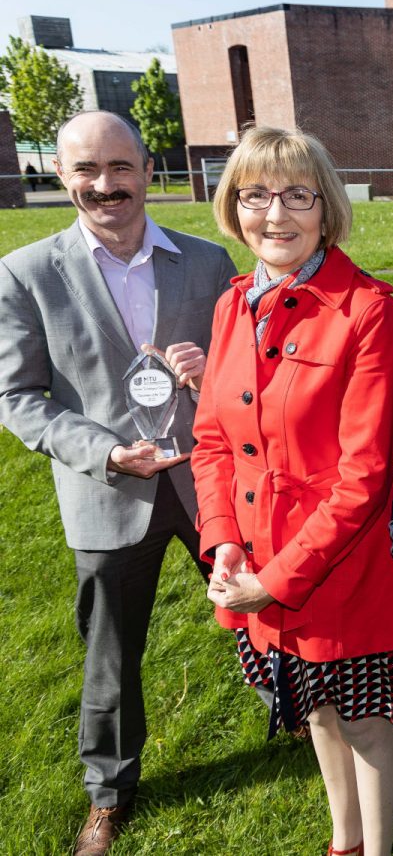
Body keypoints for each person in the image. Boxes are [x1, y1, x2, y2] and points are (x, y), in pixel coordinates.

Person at [0, 111, 235, 856]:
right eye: (85, 171)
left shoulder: (207, 262)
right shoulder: (27, 273)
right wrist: (103, 454)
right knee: (110, 650)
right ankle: (109, 791)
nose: (105, 186)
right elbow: (17, 397)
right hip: (109, 492)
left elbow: (253, 376)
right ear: (62, 176)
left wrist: (214, 374)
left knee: (260, 604)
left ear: (146, 167)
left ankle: (298, 709)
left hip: (209, 481)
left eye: (119, 168)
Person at [193, 126, 393, 856]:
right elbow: (213, 441)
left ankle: (377, 849)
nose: (275, 214)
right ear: (233, 208)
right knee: (315, 711)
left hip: (342, 572)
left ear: (326, 209)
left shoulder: (367, 312)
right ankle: (343, 841)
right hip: (256, 566)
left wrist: (276, 579)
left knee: (361, 720)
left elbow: (365, 476)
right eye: (255, 195)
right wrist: (223, 541)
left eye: (297, 195)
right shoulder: (234, 304)